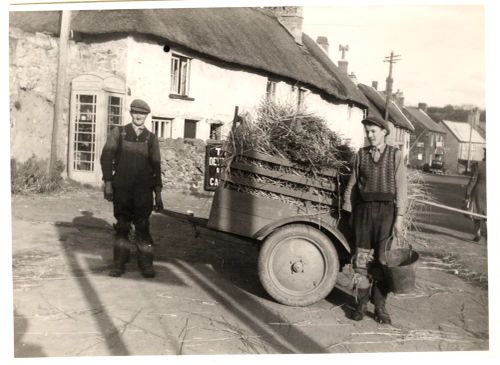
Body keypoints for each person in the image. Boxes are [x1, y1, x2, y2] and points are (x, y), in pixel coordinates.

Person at [342, 115, 407, 324]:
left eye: (373, 132)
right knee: (361, 260)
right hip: (363, 213)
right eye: (367, 132)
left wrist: (399, 218)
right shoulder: (360, 155)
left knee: (382, 261)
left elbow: (401, 188)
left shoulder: (395, 155)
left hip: (386, 213)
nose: (370, 135)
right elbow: (352, 185)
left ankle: (380, 307)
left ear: (384, 132)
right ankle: (360, 305)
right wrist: (348, 211)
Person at [100, 99, 164, 278]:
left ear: (146, 116)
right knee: (122, 226)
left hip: (143, 191)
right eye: (135, 112)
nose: (138, 116)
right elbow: (106, 157)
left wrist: (158, 193)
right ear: (131, 113)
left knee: (143, 226)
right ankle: (119, 263)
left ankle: (146, 264)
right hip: (122, 189)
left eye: (142, 114)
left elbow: (156, 165)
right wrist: (108, 183)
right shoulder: (119, 133)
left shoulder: (151, 138)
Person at [466, 148, 487, 242]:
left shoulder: (478, 165)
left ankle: (478, 234)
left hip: (479, 190)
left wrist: (467, 193)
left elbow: (473, 180)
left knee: (476, 213)